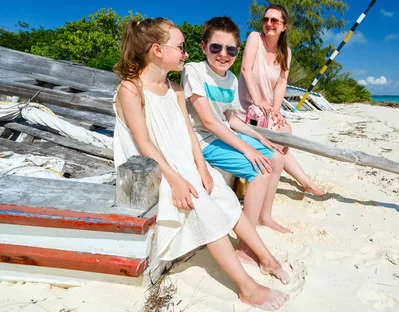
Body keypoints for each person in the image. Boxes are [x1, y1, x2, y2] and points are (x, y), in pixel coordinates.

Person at [112, 17, 289, 310]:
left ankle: (266, 258)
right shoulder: (131, 89)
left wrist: (202, 167)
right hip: (156, 169)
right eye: (180, 47)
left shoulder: (175, 89)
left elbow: (189, 136)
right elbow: (144, 145)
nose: (185, 52)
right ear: (157, 49)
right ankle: (247, 287)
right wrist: (176, 179)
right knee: (204, 206)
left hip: (184, 162)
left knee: (223, 195)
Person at [182, 16, 290, 266]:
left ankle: (264, 217)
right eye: (216, 48)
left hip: (222, 132)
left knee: (275, 155)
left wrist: (258, 136)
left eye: (230, 49)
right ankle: (244, 246)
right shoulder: (194, 70)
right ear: (203, 47)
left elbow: (231, 119)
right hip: (202, 139)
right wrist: (247, 149)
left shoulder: (231, 78)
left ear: (237, 51)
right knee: (259, 170)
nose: (223, 54)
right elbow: (208, 122)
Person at [237, 4, 325, 196]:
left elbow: (282, 82)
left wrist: (276, 111)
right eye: (266, 19)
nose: (269, 24)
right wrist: (258, 98)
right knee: (278, 140)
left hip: (267, 108)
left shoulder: (286, 51)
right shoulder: (255, 38)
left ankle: (302, 181)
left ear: (284, 26)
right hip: (247, 107)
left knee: (285, 132)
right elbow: (246, 70)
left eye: (274, 20)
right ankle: (293, 180)